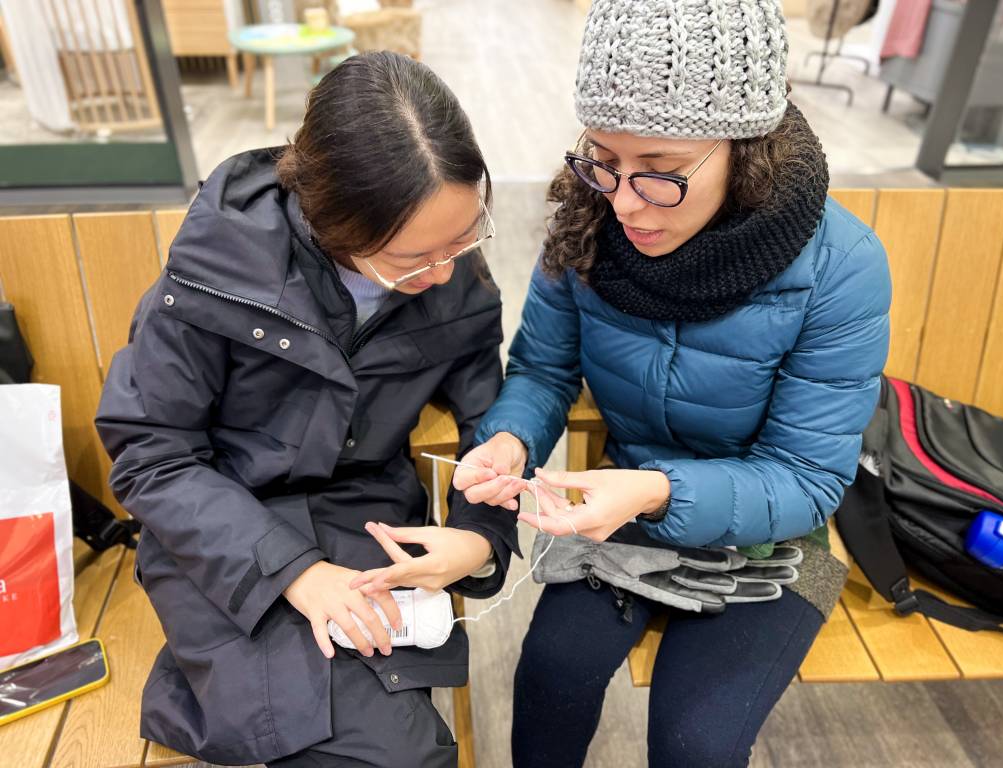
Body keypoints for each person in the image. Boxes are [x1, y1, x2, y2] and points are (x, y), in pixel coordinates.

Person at [452, 1, 892, 765]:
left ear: (746, 151)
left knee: (697, 743)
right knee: (550, 679)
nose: (622, 201)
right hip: (627, 504)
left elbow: (808, 478)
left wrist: (653, 489)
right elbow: (544, 370)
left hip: (777, 538)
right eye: (602, 159)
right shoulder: (587, 222)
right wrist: (513, 437)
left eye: (659, 174)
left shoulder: (841, 267)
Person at [95, 51, 516, 768]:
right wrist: (294, 572)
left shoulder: (451, 274)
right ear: (334, 226)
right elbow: (152, 455)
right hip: (224, 532)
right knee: (362, 747)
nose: (448, 272)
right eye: (417, 259)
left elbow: (494, 420)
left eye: (468, 234)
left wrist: (480, 537)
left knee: (394, 747)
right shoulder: (215, 277)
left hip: (364, 516)